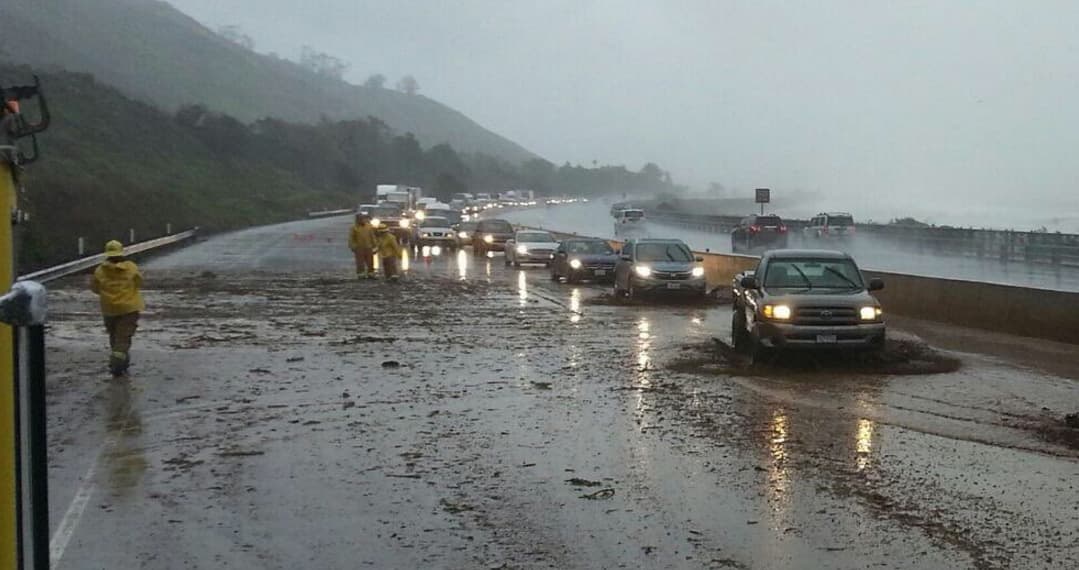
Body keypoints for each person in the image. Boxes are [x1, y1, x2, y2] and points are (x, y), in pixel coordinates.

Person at [89, 240, 145, 377]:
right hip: (129, 308)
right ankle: (117, 365)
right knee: (123, 338)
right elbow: (139, 282)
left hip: (109, 309)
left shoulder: (99, 270)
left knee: (114, 336)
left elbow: (95, 288)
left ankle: (122, 362)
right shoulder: (131, 267)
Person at [348, 214, 377, 279]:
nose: (362, 220)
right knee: (360, 262)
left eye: (363, 219)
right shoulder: (354, 228)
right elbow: (351, 238)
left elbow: (372, 236)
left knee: (370, 261)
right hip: (359, 247)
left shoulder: (369, 226)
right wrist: (352, 246)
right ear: (357, 220)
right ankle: (361, 274)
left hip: (368, 246)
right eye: (360, 219)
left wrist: (375, 245)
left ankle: (371, 273)